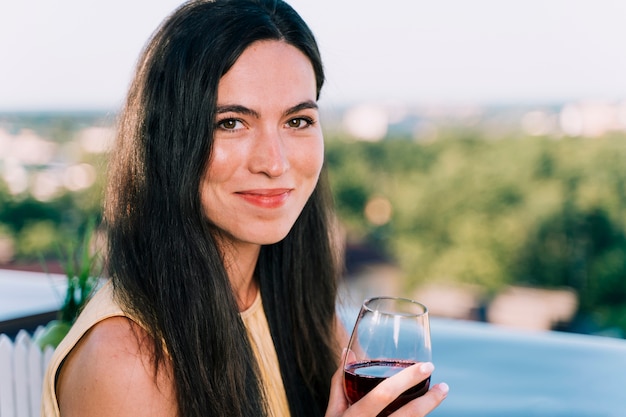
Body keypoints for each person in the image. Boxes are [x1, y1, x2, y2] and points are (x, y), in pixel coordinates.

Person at [41, 0, 449, 416]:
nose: (273, 163)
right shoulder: (128, 360)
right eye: (231, 123)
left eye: (297, 121)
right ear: (165, 140)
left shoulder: (303, 311)